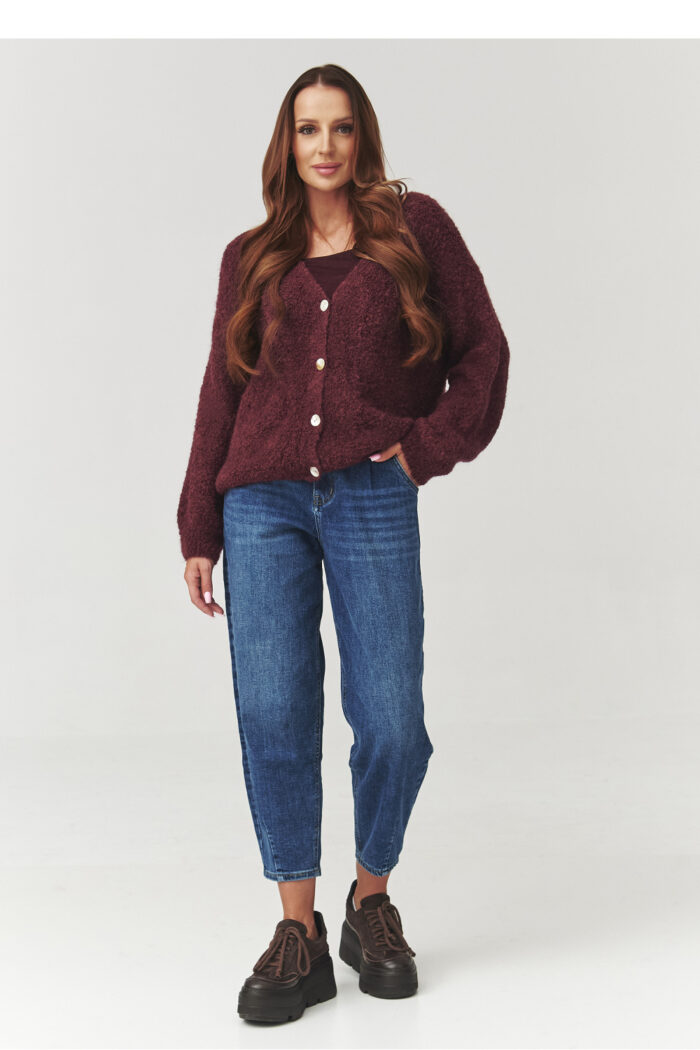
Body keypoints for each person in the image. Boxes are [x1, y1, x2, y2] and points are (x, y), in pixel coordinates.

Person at [177, 63, 510, 1025]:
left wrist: (425, 451)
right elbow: (222, 390)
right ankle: (299, 931)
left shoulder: (415, 228)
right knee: (273, 709)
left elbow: (483, 351)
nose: (324, 146)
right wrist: (199, 523)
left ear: (363, 137)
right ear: (286, 145)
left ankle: (371, 900)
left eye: (340, 127)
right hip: (263, 502)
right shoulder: (251, 257)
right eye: (306, 129)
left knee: (392, 716)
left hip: (371, 491)